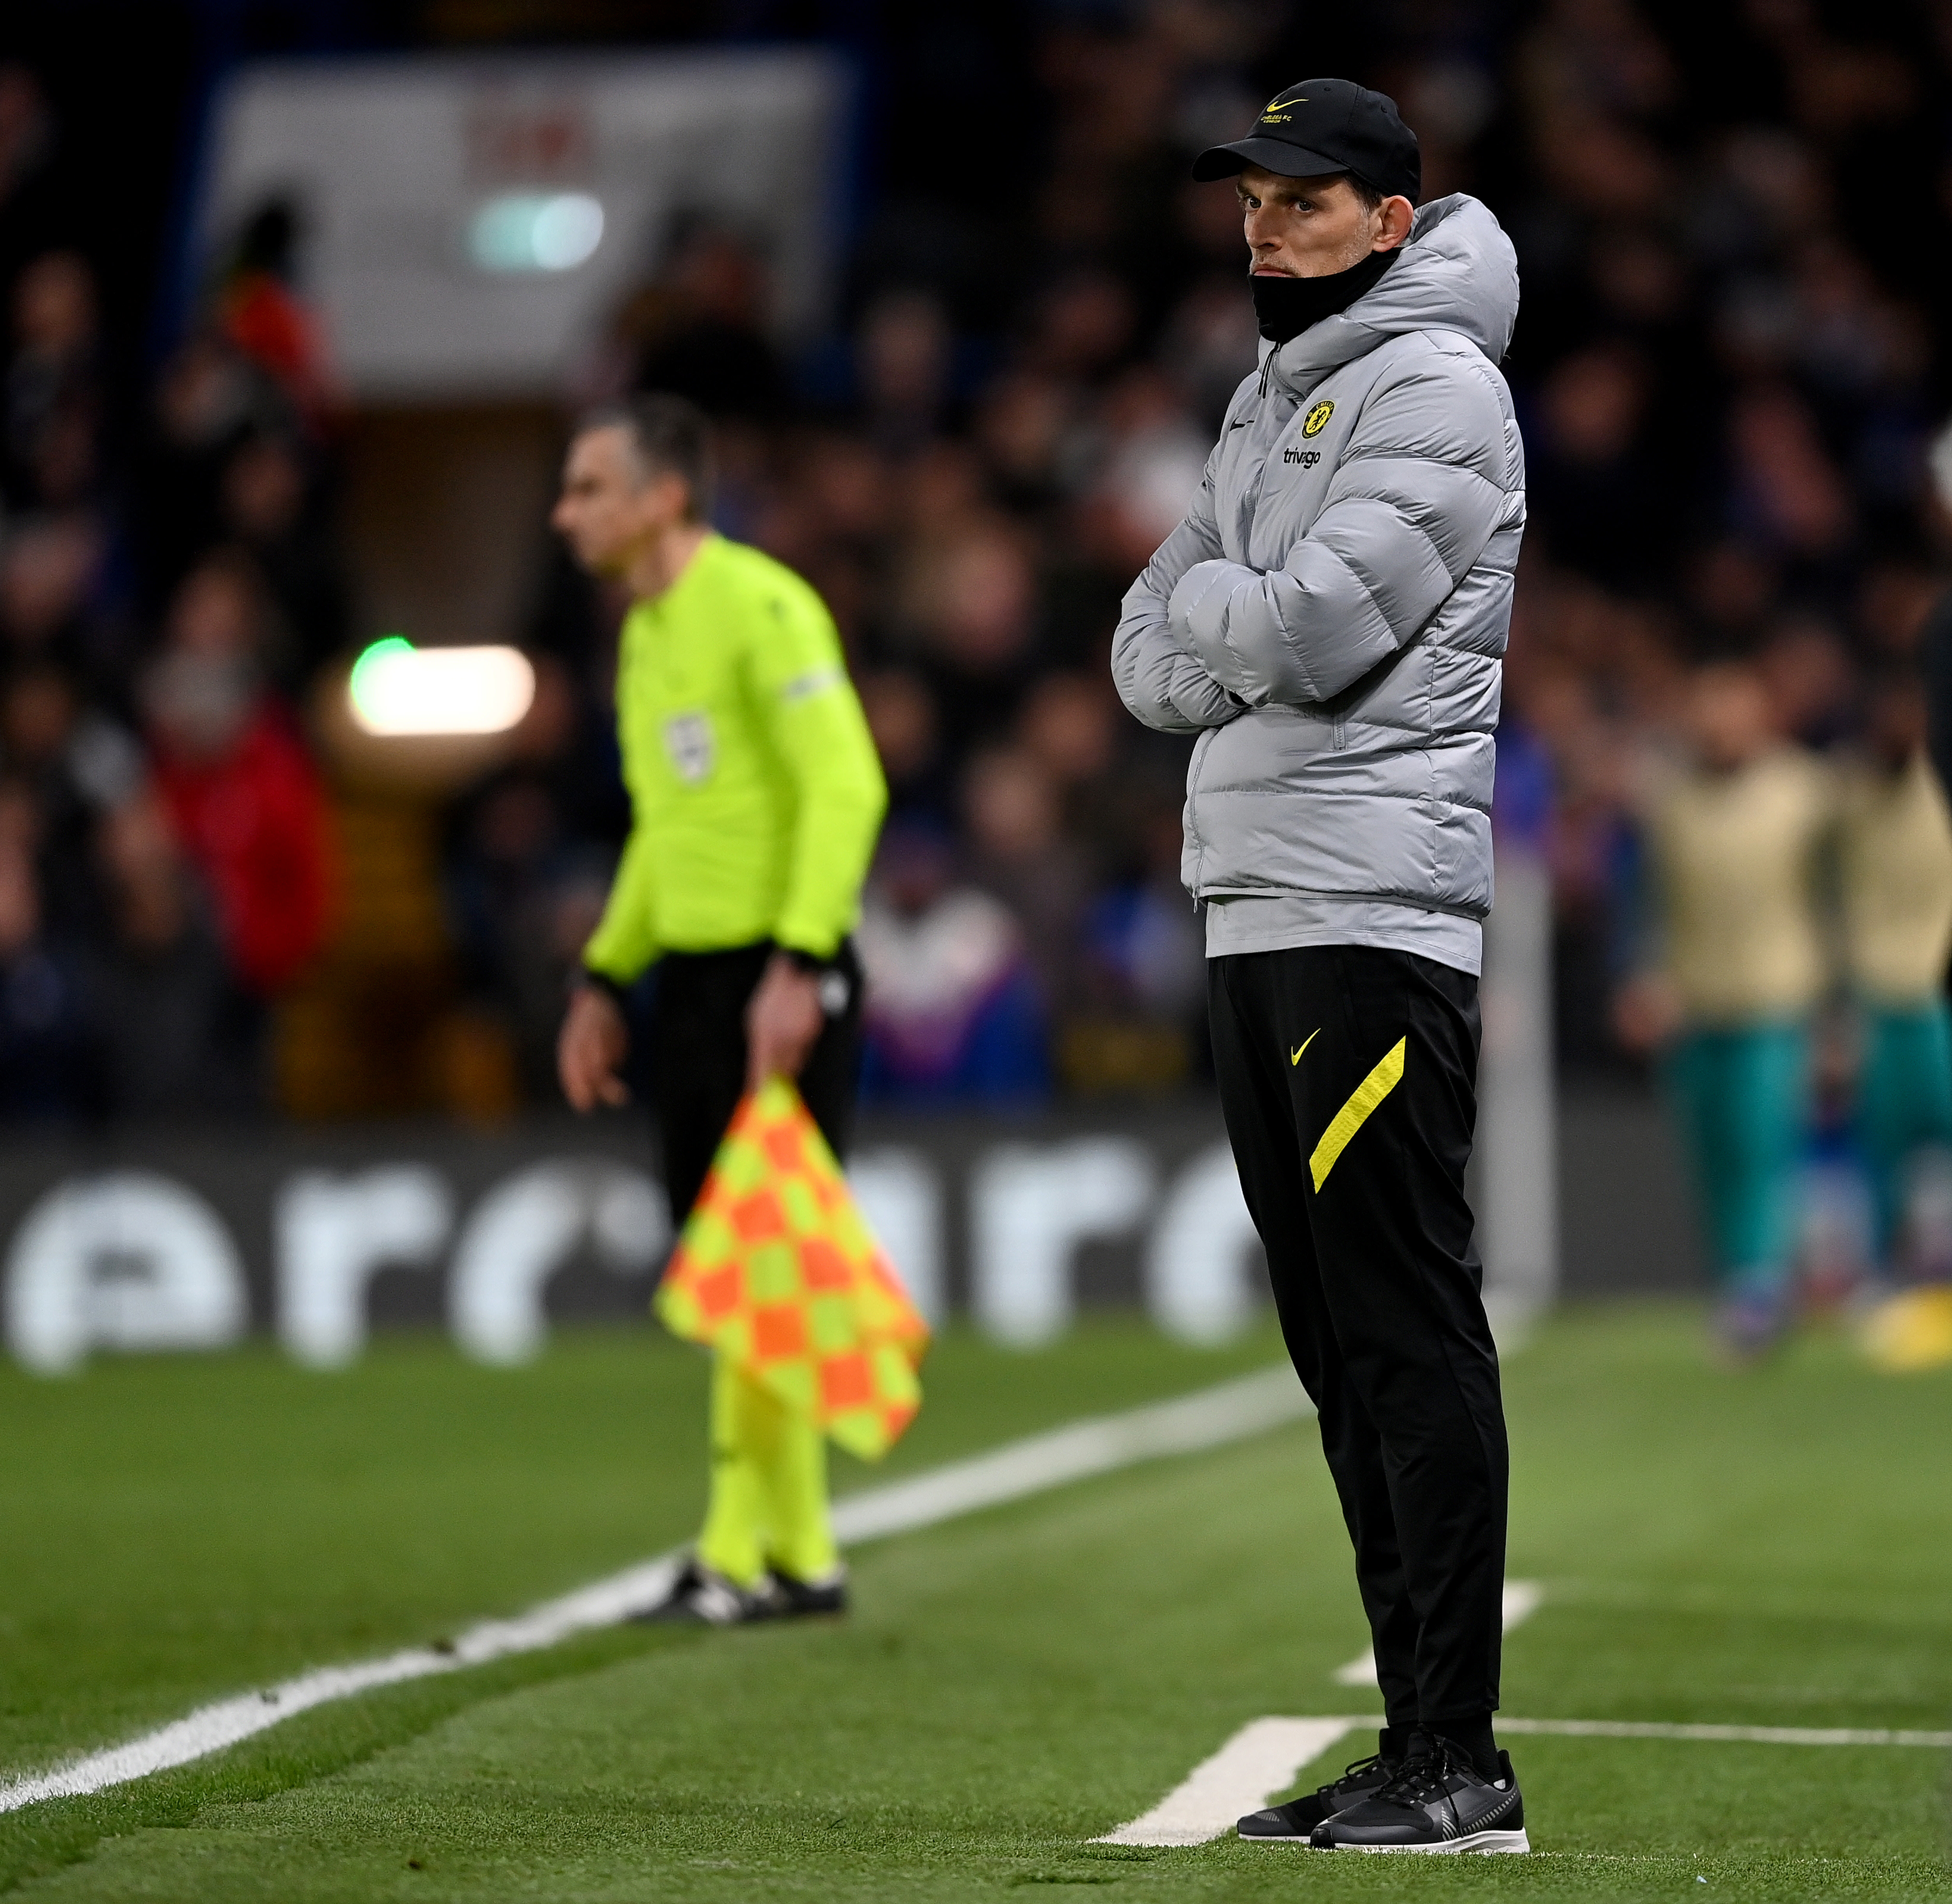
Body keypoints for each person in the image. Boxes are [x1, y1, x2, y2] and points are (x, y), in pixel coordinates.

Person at [1111, 79, 1528, 1854]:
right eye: (1250, 201)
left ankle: (1461, 1760)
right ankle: (1410, 1738)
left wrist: (1225, 604)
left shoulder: (1438, 387)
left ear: (1389, 219)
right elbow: (1146, 654)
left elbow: (1293, 627)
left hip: (1368, 914)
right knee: (1339, 1348)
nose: (1259, 228)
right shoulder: (1278, 393)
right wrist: (1227, 616)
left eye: (1298, 201)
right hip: (1263, 902)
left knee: (1403, 1325)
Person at [552, 393, 887, 1624]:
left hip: (775, 978)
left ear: (664, 497)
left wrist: (799, 963)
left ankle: (734, 1549)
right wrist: (602, 973)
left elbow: (845, 784)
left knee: (758, 1268)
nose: (565, 510)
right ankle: (802, 1554)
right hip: (697, 985)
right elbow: (669, 832)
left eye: (589, 486)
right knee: (743, 1272)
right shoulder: (644, 635)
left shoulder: (763, 605)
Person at [1617, 661, 1831, 1353]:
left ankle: (1760, 1289)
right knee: (1712, 1155)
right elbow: (1645, 901)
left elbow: (1836, 898)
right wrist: (1643, 977)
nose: (1719, 728)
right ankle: (1744, 1280)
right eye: (1707, 715)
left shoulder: (1806, 795)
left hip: (1778, 997)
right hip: (1696, 1001)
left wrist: (1840, 1010)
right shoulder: (1670, 800)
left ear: (1761, 716)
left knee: (1762, 1146)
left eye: (1732, 712)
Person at [1836, 669, 1952, 1277]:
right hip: (1876, 997)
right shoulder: (1848, 796)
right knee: (1882, 1152)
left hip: (1938, 998)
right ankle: (1885, 1277)